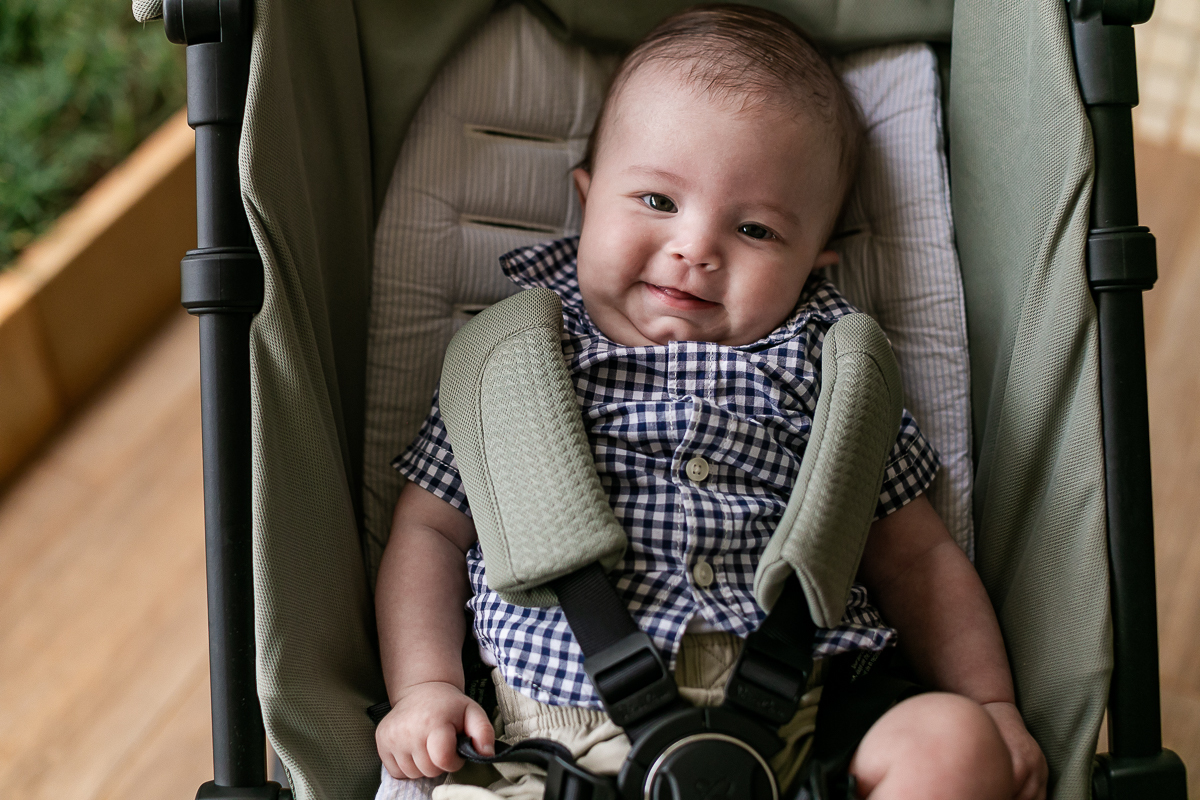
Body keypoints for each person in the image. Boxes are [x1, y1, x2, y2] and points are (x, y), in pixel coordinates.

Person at [375, 6, 1048, 799]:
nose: (696, 248)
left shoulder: (828, 371)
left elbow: (919, 557)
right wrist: (423, 688)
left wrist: (991, 701)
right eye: (657, 201)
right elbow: (428, 531)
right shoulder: (513, 363)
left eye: (757, 229)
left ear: (814, 260)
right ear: (587, 200)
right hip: (556, 742)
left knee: (953, 746)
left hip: (809, 718)